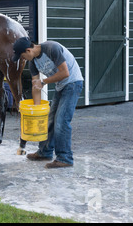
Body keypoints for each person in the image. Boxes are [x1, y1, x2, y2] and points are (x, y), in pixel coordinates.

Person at [12, 37, 83, 168]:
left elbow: (65, 73)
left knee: (61, 121)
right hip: (61, 86)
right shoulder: (32, 62)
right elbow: (36, 86)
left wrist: (44, 82)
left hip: (73, 83)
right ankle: (45, 152)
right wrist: (36, 111)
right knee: (50, 120)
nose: (22, 59)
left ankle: (65, 158)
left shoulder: (51, 48)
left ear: (28, 50)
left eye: (22, 56)